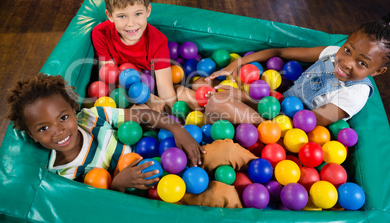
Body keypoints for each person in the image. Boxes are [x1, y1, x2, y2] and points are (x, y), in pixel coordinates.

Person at [6, 73, 256, 208]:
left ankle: (254, 160)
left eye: (63, 117)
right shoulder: (63, 176)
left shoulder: (91, 118)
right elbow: (100, 208)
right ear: (31, 136)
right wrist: (117, 184)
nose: (58, 131)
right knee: (221, 194)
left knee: (225, 149)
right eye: (43, 128)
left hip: (165, 150)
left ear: (73, 110)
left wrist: (177, 129)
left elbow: (142, 114)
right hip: (155, 192)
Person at [204, 13, 390, 126]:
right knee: (214, 89)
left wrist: (250, 105)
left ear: (377, 72)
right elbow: (279, 52)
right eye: (348, 50)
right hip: (274, 106)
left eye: (362, 63)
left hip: (286, 131)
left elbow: (304, 123)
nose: (346, 62)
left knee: (219, 103)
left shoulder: (355, 94)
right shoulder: (332, 53)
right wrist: (235, 65)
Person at [91, 0, 199, 112]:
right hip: (124, 91)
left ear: (148, 11)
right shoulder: (100, 34)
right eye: (122, 16)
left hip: (154, 82)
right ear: (110, 16)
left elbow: (165, 89)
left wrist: (173, 116)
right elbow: (110, 79)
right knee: (137, 110)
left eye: (138, 14)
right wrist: (147, 98)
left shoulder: (158, 40)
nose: (131, 23)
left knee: (182, 93)